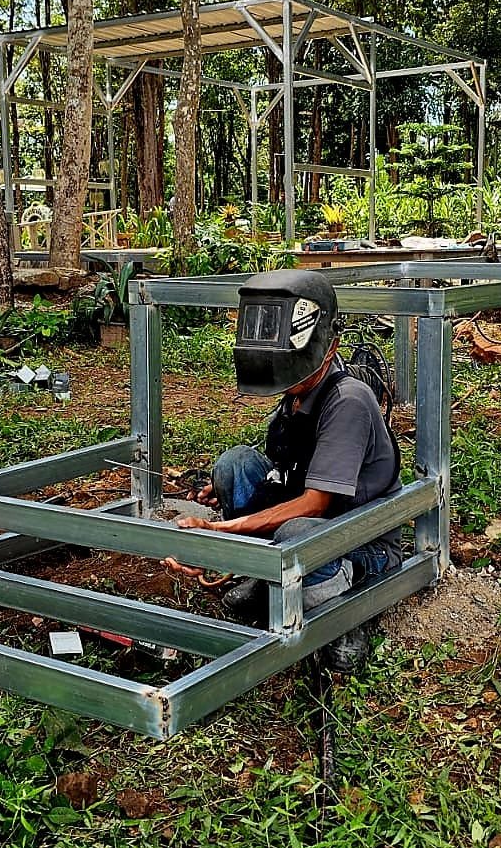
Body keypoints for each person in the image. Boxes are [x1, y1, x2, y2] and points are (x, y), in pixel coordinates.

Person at [169, 270, 403, 650]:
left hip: (359, 538)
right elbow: (290, 465)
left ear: (329, 347)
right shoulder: (298, 391)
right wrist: (238, 496)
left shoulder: (348, 401)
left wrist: (222, 534)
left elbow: (316, 504)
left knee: (294, 537)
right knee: (235, 464)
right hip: (311, 517)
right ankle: (266, 577)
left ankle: (341, 611)